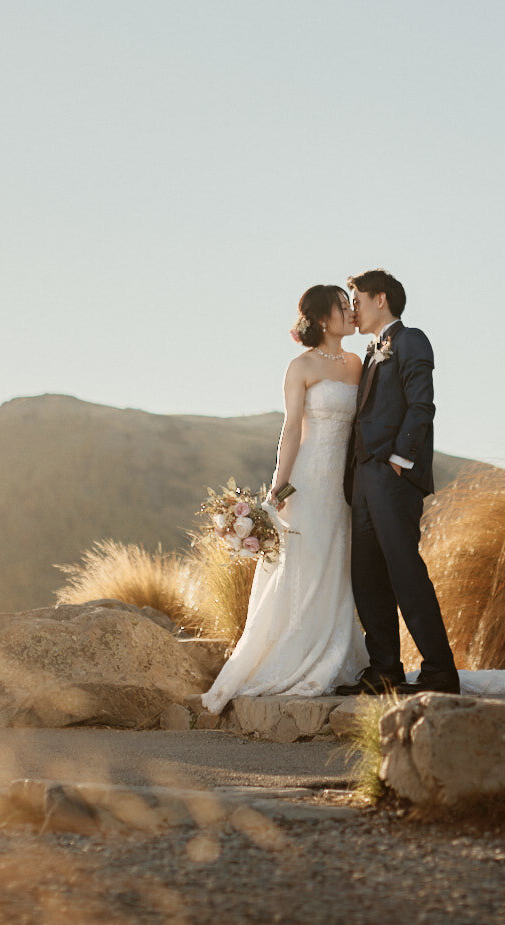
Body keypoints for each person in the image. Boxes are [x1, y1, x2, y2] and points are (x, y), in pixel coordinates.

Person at [200, 285, 370, 713]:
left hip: (346, 483)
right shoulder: (301, 366)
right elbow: (292, 429)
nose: (351, 312)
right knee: (302, 560)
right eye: (343, 306)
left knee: (337, 559)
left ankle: (335, 652)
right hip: (309, 478)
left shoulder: (357, 363)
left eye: (353, 306)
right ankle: (291, 657)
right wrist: (279, 487)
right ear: (322, 318)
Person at [335, 268, 459, 696]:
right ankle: (384, 669)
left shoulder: (411, 340)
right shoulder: (370, 352)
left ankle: (440, 673)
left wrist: (399, 461)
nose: (353, 309)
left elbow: (422, 405)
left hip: (393, 476)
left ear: (380, 299)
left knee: (406, 572)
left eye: (357, 300)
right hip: (364, 481)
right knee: (366, 576)